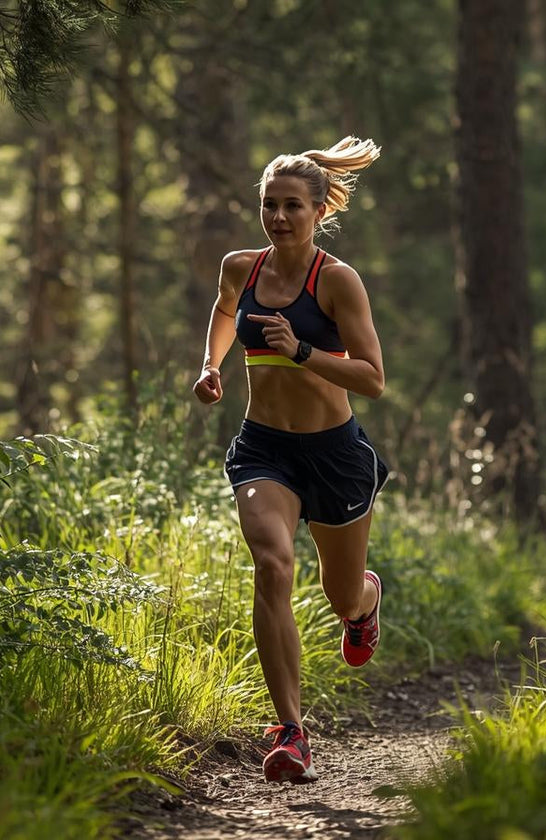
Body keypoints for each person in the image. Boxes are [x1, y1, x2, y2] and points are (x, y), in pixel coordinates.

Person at [192, 136, 390, 783]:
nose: (278, 217)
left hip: (333, 453)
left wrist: (303, 350)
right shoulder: (239, 268)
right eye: (269, 205)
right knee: (272, 565)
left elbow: (372, 378)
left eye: (292, 207)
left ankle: (364, 606)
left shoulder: (336, 281)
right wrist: (210, 367)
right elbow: (226, 313)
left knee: (340, 593)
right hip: (264, 447)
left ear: (318, 210)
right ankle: (290, 731)